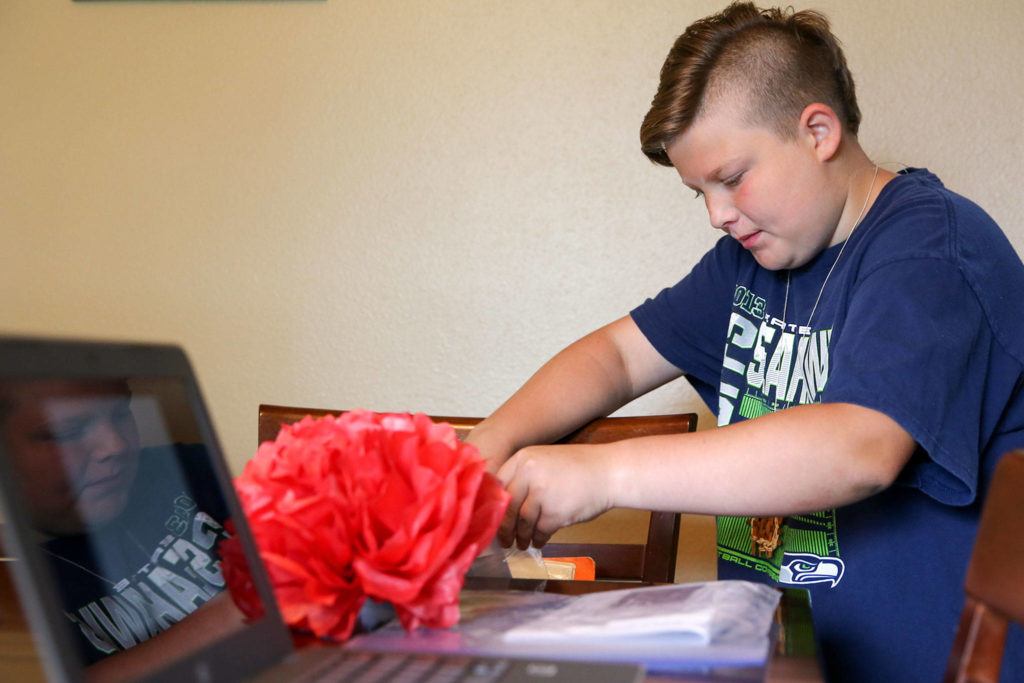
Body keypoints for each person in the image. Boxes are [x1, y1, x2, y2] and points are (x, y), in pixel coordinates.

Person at [465, 3, 1024, 680]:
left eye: (731, 179)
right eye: (698, 191)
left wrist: (605, 474)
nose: (716, 214)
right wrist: (483, 448)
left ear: (817, 131)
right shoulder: (752, 262)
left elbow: (859, 447)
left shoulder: (930, 248)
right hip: (786, 662)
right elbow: (616, 355)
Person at [0, 379, 245, 679]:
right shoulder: (14, 586)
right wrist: (242, 607)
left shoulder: (186, 469)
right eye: (68, 432)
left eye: (121, 414)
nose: (115, 445)